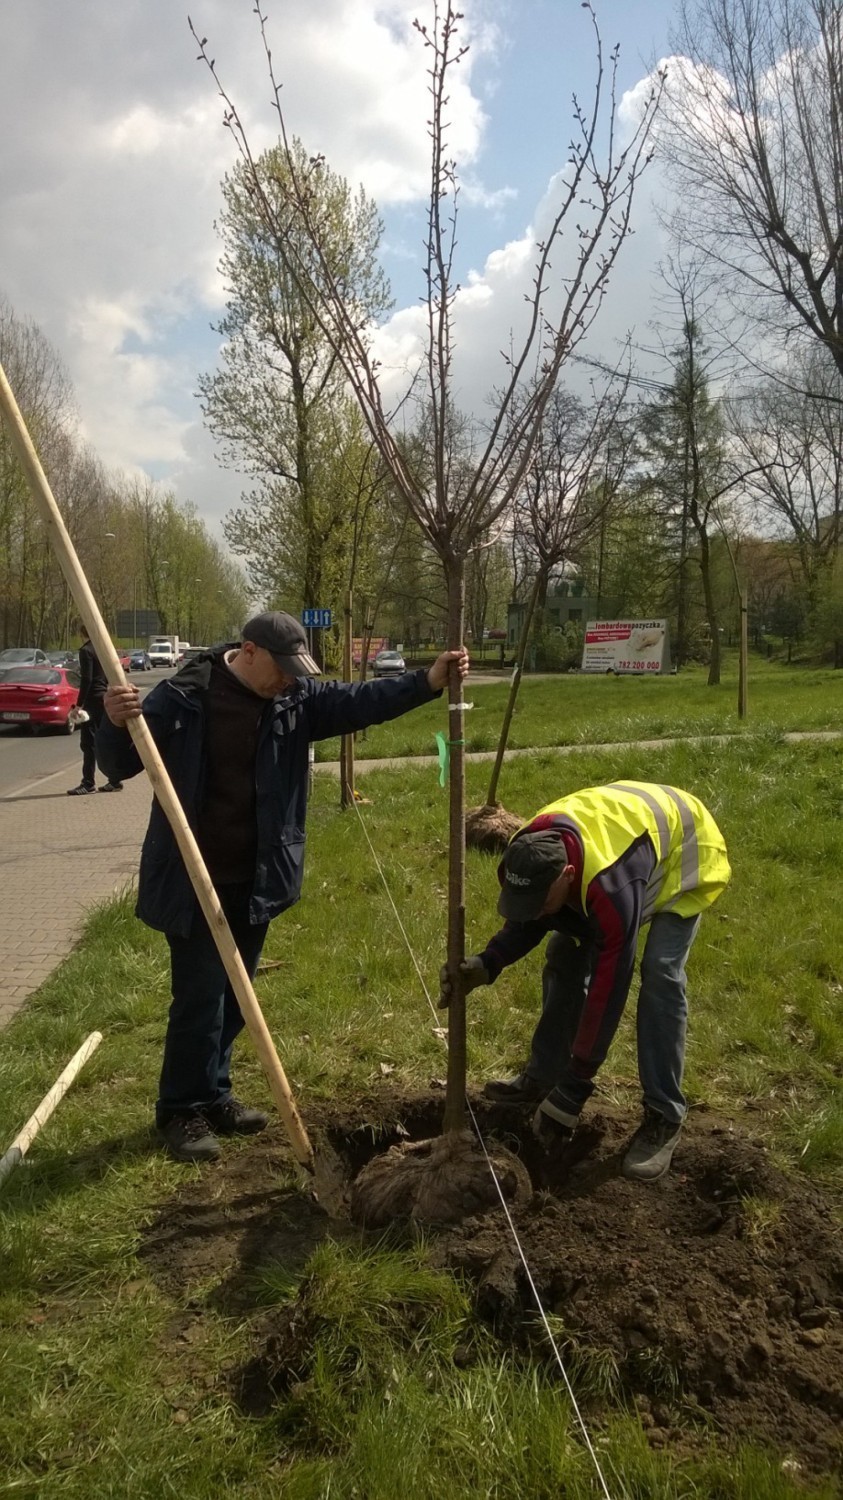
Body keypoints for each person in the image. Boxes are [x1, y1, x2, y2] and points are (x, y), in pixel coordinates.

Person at [97, 610, 469, 1163]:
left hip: (257, 877)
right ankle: (179, 1110)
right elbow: (120, 763)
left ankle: (215, 1093)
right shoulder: (183, 696)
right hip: (193, 878)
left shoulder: (294, 700)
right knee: (200, 999)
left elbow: (356, 701)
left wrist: (427, 681)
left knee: (236, 995)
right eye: (283, 667)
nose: (292, 679)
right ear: (248, 652)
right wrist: (111, 719)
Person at [447, 781, 730, 1182]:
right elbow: (534, 916)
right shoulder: (527, 852)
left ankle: (664, 1115)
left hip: (684, 850)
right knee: (563, 953)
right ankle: (542, 1078)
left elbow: (609, 986)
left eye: (544, 899)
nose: (537, 908)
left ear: (567, 875)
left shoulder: (610, 886)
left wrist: (578, 1084)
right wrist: (488, 961)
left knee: (661, 974)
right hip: (627, 834)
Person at [67, 626, 123, 795]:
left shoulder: (86, 651)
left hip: (92, 701)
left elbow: (86, 679)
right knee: (105, 740)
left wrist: (79, 705)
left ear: (81, 633)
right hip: (103, 698)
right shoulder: (103, 649)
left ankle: (88, 782)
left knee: (88, 744)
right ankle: (114, 780)